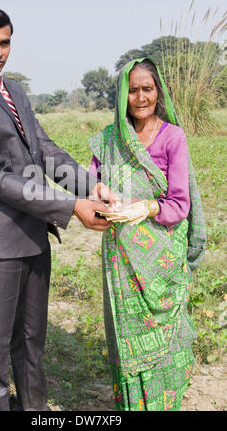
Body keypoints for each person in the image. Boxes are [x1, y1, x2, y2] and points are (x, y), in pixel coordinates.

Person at [0, 2, 121, 411]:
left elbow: (45, 151)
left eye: (5, 42)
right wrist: (73, 206)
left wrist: (93, 187)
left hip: (34, 235)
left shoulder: (13, 88)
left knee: (32, 341)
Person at [88, 58, 206, 411]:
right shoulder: (110, 141)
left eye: (148, 89)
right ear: (123, 95)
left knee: (164, 335)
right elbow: (93, 184)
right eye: (132, 90)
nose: (140, 97)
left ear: (159, 93)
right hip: (120, 256)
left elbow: (179, 204)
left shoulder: (173, 136)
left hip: (162, 258)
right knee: (126, 332)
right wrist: (102, 196)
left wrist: (147, 207)